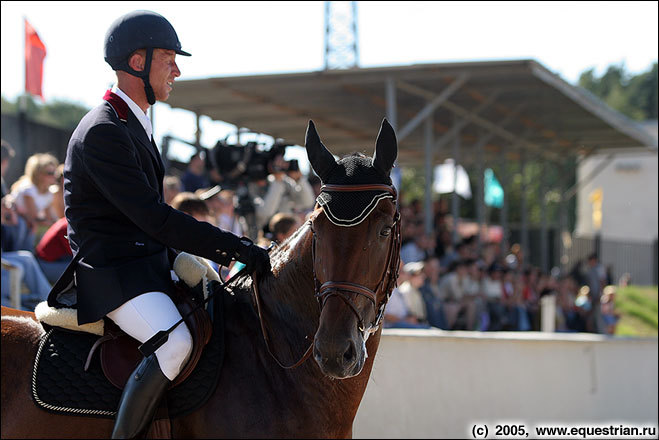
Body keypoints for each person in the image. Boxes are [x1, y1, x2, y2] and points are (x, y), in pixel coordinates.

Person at [52, 11, 270, 439]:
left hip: (145, 264)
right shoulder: (103, 130)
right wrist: (236, 248)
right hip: (113, 275)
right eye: (168, 57)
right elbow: (155, 218)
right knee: (175, 345)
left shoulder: (133, 122)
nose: (177, 69)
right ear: (137, 62)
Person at [10, 152, 60, 237]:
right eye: (50, 173)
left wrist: (58, 224)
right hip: (15, 224)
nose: (54, 176)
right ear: (38, 174)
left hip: (27, 224)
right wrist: (56, 224)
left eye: (55, 172)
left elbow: (50, 217)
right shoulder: (28, 190)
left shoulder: (48, 193)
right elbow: (34, 218)